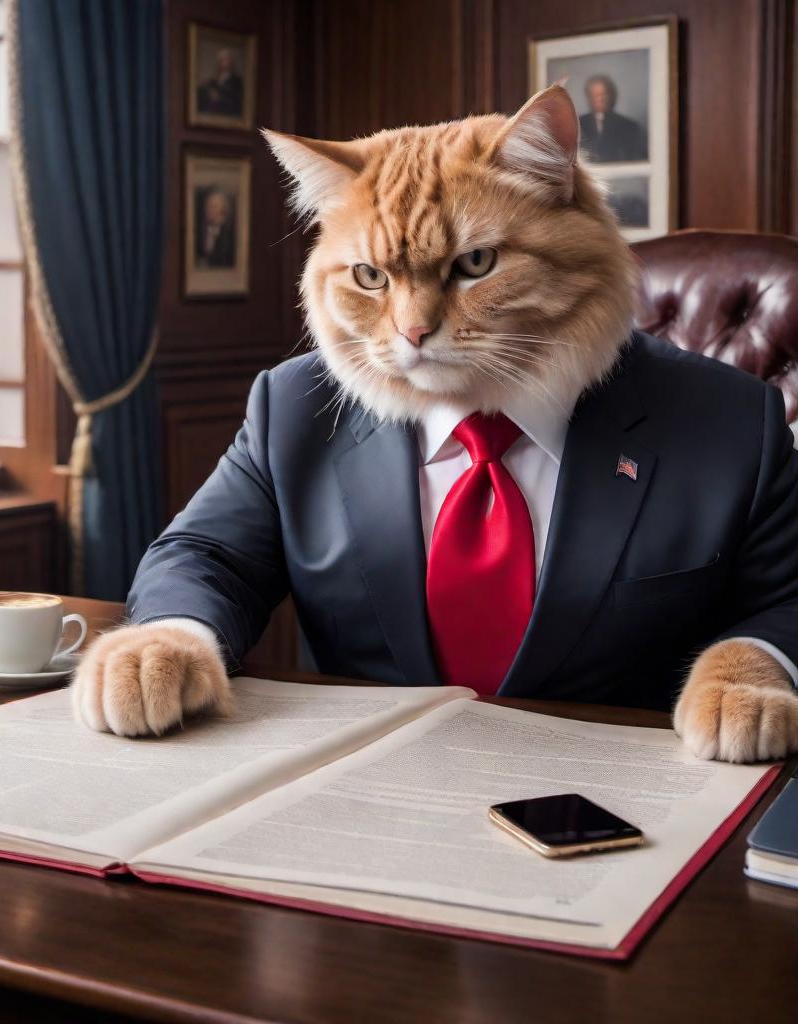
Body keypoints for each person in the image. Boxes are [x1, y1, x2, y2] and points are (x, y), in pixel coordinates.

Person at [72, 86, 798, 767]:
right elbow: (204, 556)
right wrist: (175, 635)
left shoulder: (733, 420)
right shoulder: (291, 407)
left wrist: (751, 664)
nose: (415, 326)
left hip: (621, 811)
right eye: (372, 278)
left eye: (472, 263)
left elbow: (787, 598)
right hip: (370, 809)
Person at [578, 73, 647, 162]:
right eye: (595, 95)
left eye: (603, 94)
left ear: (612, 96)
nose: (600, 99)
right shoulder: (577, 125)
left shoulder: (630, 126)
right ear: (589, 98)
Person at [197, 48, 243, 118]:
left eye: (226, 60)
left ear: (231, 62)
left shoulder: (236, 81)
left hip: (228, 115)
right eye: (221, 60)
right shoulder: (213, 81)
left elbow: (236, 102)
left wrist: (219, 98)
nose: (223, 63)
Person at [196, 188, 235, 268]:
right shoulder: (201, 231)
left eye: (213, 206)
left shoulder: (229, 233)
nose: (208, 210)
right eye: (207, 206)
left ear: (223, 209)